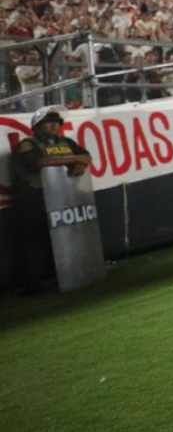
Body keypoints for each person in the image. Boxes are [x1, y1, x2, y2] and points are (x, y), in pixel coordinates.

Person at [10, 106, 91, 294]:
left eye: (57, 123)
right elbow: (39, 163)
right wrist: (73, 160)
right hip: (34, 198)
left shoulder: (66, 141)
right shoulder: (27, 144)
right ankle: (32, 285)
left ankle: (62, 275)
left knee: (63, 236)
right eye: (49, 123)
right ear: (37, 126)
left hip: (62, 196)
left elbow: (86, 156)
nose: (54, 126)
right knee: (35, 241)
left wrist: (80, 163)